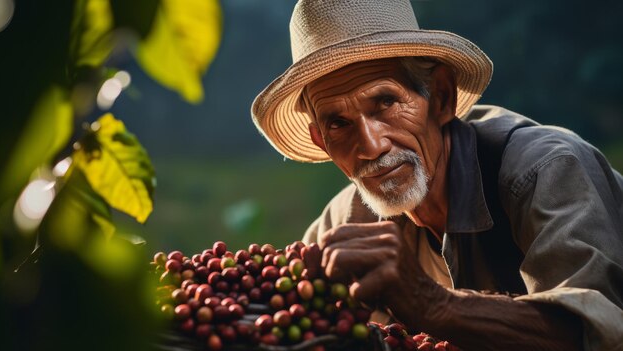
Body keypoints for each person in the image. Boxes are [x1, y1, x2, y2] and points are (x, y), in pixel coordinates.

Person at [251, 0, 623, 350]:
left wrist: (431, 305)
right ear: (321, 143)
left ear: (441, 97)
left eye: (386, 102)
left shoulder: (544, 171)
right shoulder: (347, 222)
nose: (371, 146)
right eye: (338, 123)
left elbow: (598, 332)